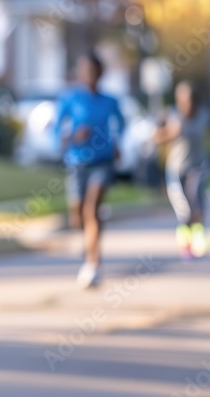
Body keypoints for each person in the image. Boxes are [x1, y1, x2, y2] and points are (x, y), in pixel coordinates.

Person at [53, 52, 125, 288]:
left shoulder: (110, 101)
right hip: (77, 163)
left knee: (92, 209)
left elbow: (121, 124)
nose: (90, 76)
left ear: (100, 74)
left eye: (94, 71)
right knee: (78, 215)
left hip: (103, 162)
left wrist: (115, 143)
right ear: (81, 73)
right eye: (86, 71)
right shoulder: (70, 99)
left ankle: (93, 263)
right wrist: (73, 136)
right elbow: (56, 131)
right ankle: (89, 246)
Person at [154, 81, 210, 259]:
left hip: (197, 168)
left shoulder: (203, 115)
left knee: (197, 205)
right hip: (176, 170)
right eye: (182, 99)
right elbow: (156, 138)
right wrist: (170, 132)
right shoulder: (172, 116)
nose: (187, 103)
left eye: (190, 99)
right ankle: (185, 243)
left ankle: (199, 241)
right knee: (184, 211)